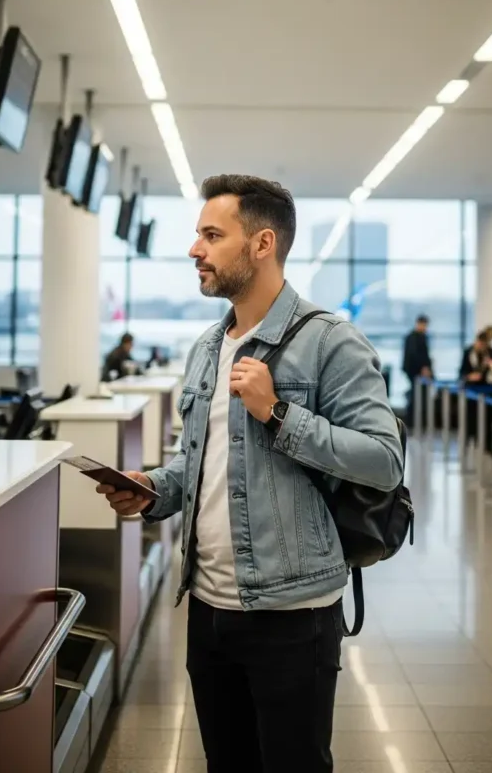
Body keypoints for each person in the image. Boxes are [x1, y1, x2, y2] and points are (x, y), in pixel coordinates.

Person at [97, 174, 402, 773]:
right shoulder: (207, 348)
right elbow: (200, 462)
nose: (195, 249)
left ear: (263, 244)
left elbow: (384, 461)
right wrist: (154, 489)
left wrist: (279, 412)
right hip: (207, 608)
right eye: (198, 235)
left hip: (293, 613)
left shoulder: (330, 342)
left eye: (212, 235)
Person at [459, 331, 492, 456]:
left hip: (487, 391)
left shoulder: (491, 353)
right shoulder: (468, 352)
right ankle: (470, 442)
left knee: (488, 419)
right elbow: (462, 371)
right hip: (471, 391)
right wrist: (469, 377)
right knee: (471, 418)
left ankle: (487, 446)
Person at [402, 315, 433, 429]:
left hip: (417, 371)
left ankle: (416, 422)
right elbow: (414, 355)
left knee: (418, 395)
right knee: (416, 396)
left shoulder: (420, 336)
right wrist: (423, 368)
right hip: (414, 371)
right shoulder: (413, 337)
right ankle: (412, 422)